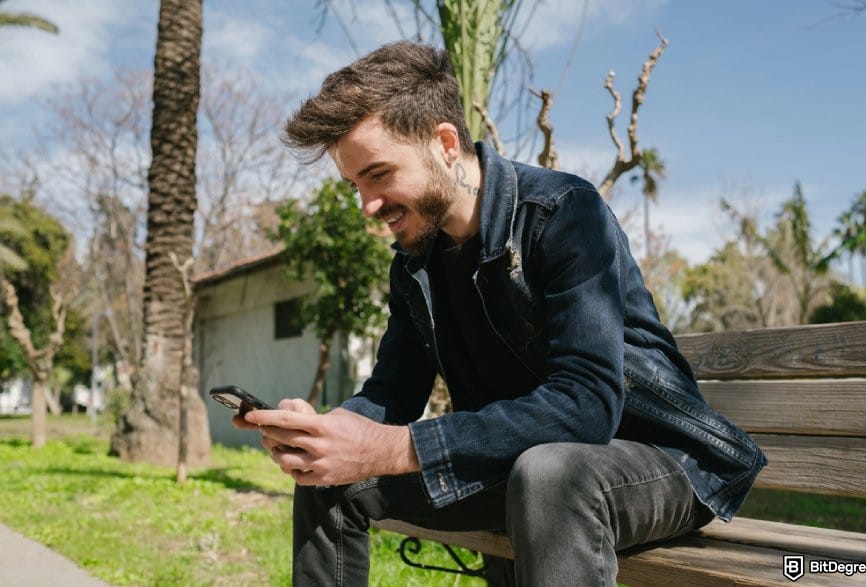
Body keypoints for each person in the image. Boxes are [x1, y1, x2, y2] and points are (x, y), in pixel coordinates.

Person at [233, 41, 767, 586]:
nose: (367, 205)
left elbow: (587, 404)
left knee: (549, 472)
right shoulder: (415, 263)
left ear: (443, 143)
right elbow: (393, 390)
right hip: (523, 470)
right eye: (355, 186)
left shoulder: (564, 213)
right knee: (328, 480)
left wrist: (395, 447)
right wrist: (331, 431)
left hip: (658, 460)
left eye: (378, 174)